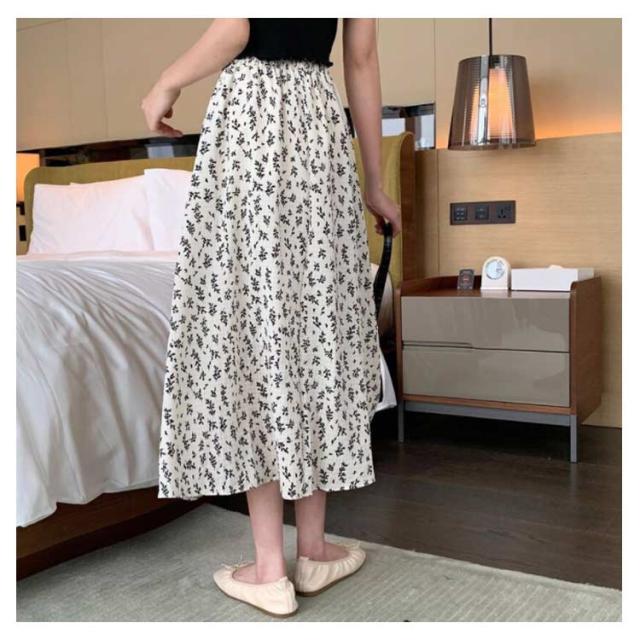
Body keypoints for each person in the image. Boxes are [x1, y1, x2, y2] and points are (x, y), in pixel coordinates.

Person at [141, 17, 401, 618]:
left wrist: (166, 83)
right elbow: (361, 61)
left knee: (254, 323)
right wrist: (375, 182)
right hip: (318, 120)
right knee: (315, 325)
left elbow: (238, 27)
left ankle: (268, 568)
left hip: (252, 115)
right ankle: (314, 550)